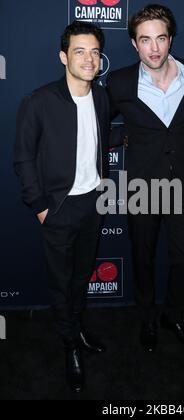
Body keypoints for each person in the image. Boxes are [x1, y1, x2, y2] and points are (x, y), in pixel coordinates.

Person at [14, 21, 110, 392]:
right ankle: (70, 344)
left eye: (94, 51)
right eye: (79, 51)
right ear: (63, 56)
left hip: (93, 205)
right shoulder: (38, 101)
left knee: (82, 275)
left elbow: (96, 137)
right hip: (58, 207)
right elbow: (23, 158)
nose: (89, 59)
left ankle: (77, 327)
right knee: (61, 281)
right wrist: (40, 206)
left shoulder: (100, 97)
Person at [106, 4, 184, 353]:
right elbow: (97, 124)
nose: (155, 48)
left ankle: (173, 315)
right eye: (145, 40)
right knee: (142, 255)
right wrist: (122, 137)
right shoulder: (118, 82)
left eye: (161, 38)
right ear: (134, 44)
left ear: (170, 38)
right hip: (142, 184)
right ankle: (147, 317)